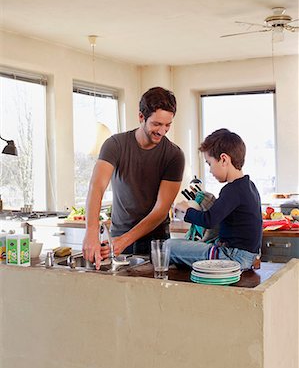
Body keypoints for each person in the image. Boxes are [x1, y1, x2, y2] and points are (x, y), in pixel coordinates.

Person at [83, 87, 185, 269]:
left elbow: (161, 210)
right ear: (141, 117)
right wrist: (91, 231)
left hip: (156, 240)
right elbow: (96, 187)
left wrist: (124, 241)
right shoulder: (115, 145)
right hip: (118, 235)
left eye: (167, 125)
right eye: (156, 124)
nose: (162, 131)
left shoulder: (174, 156)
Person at [169, 128, 262, 271]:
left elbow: (209, 220)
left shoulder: (232, 190)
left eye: (209, 163)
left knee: (168, 246)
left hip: (232, 257)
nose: (210, 171)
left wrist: (186, 211)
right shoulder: (248, 186)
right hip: (248, 256)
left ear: (224, 159)